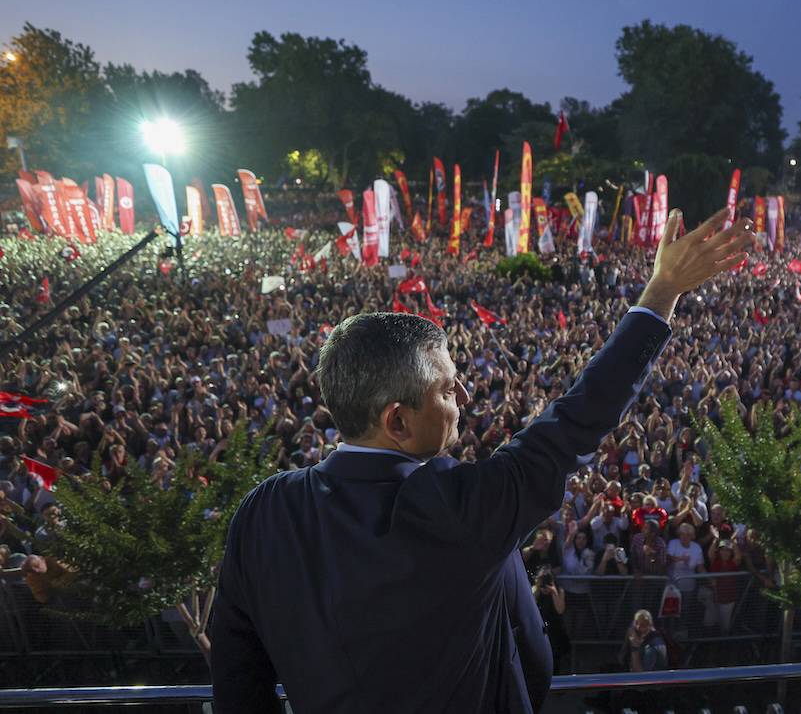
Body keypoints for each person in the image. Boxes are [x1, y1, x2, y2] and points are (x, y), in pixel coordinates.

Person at [210, 208, 753, 713]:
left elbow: (238, 671)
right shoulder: (456, 506)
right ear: (396, 420)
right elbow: (576, 421)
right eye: (448, 389)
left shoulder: (264, 511)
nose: (465, 398)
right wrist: (662, 290)